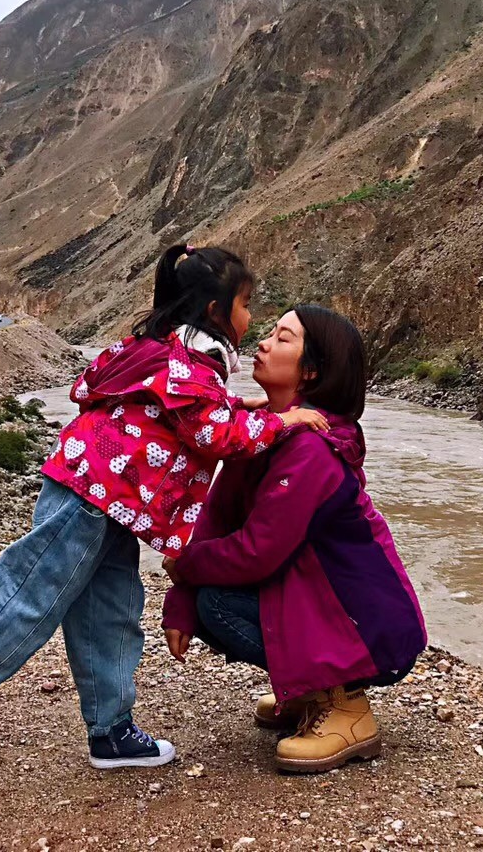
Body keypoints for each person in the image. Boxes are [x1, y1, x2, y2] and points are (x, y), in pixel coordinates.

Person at [0, 245, 331, 775]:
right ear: (216, 311)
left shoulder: (170, 353)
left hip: (111, 501)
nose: (250, 316)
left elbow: (186, 410)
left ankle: (112, 731)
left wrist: (240, 406)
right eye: (245, 304)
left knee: (111, 613)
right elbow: (216, 436)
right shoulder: (189, 365)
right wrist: (282, 421)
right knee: (28, 601)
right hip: (93, 497)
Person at [161, 305, 426, 774]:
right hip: (321, 600)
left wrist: (186, 568)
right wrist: (180, 597)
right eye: (269, 333)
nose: (263, 343)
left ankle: (345, 706)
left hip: (367, 622)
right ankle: (309, 689)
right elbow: (218, 520)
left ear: (312, 371)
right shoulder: (266, 429)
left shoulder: (312, 448)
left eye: (283, 338)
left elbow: (258, 551)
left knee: (218, 604)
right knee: (205, 599)